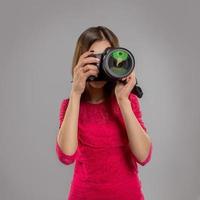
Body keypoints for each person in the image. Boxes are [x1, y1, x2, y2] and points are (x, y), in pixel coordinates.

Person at [55, 26, 153, 200]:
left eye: (105, 58)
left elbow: (144, 156)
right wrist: (75, 93)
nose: (99, 66)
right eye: (93, 58)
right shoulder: (71, 105)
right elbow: (66, 156)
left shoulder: (127, 102)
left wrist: (123, 100)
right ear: (80, 62)